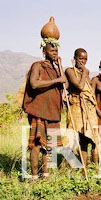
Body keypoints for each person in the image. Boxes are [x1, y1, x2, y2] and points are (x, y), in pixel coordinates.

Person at [22, 43, 67, 180]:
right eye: (51, 50)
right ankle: (35, 177)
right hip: (39, 111)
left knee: (49, 146)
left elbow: (65, 84)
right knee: (36, 144)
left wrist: (60, 67)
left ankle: (46, 176)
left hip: (52, 111)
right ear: (44, 52)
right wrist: (56, 80)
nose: (55, 52)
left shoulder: (56, 69)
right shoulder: (38, 65)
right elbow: (34, 84)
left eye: (56, 50)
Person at [65, 48, 99, 169]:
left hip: (86, 108)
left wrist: (85, 73)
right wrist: (85, 72)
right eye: (80, 58)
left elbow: (88, 89)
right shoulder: (69, 71)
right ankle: (69, 167)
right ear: (74, 58)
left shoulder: (85, 73)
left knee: (85, 138)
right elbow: (79, 86)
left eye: (85, 59)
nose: (83, 61)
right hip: (75, 107)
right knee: (72, 138)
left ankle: (84, 167)